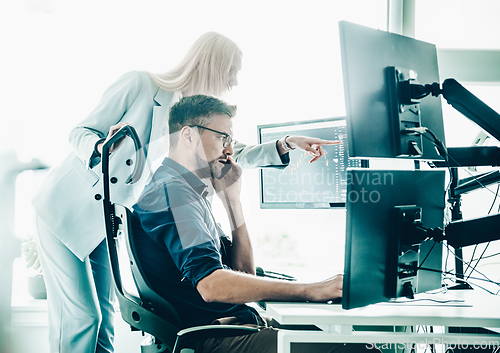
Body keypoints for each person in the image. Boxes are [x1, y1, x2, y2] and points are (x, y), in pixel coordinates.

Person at [31, 32, 338, 353]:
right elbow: (79, 131)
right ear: (213, 63)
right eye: (232, 71)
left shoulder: (193, 119)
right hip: (66, 211)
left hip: (106, 224)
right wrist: (101, 148)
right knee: (82, 319)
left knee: (105, 320)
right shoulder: (141, 85)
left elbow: (232, 151)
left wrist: (286, 143)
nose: (233, 82)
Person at [130, 95, 374, 353]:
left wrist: (232, 201)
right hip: (213, 338)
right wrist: (311, 290)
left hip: (232, 326)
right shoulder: (174, 194)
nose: (229, 150)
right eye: (223, 138)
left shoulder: (186, 190)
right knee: (355, 349)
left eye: (230, 140)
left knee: (347, 340)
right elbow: (212, 286)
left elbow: (244, 274)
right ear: (188, 136)